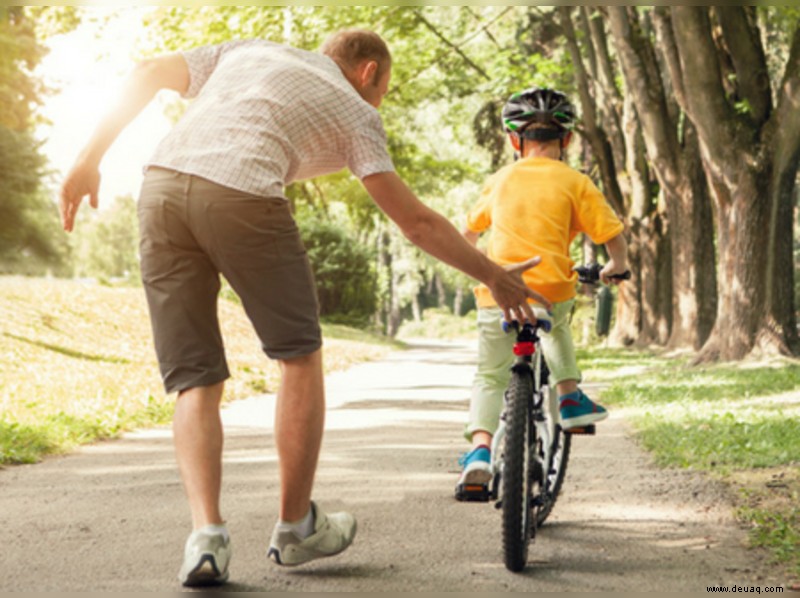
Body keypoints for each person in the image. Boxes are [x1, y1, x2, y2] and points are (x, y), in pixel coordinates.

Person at [59, 30, 551, 587]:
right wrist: (493, 277)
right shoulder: (357, 109)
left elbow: (146, 70)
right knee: (298, 355)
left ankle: (207, 537)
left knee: (195, 376)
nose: (379, 102)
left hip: (161, 190)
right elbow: (415, 222)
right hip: (243, 195)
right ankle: (295, 527)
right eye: (384, 90)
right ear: (368, 73)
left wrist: (87, 159)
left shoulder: (246, 51)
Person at [454, 87, 628, 500]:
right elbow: (611, 235)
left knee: (490, 374)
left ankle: (479, 450)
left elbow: (468, 234)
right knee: (556, 328)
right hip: (549, 287)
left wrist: (480, 268)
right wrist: (615, 266)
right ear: (566, 140)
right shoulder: (575, 181)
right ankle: (568, 397)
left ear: (515, 141)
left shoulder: (500, 180)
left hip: (497, 289)